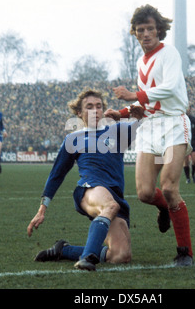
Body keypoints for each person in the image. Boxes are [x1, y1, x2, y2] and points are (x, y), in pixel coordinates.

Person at [105, 4, 193, 266]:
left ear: (159, 30)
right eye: (140, 29)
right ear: (134, 33)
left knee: (168, 186)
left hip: (174, 123)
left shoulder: (170, 53)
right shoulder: (140, 61)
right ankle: (165, 207)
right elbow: (145, 104)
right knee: (144, 193)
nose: (146, 34)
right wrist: (121, 112)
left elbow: (169, 87)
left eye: (150, 29)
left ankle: (185, 253)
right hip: (151, 125)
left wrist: (133, 95)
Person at [27, 89, 139, 271]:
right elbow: (56, 175)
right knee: (110, 206)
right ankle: (87, 258)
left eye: (98, 106)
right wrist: (42, 209)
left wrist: (139, 116)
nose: (95, 110)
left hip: (115, 196)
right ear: (79, 113)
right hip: (89, 189)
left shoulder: (118, 130)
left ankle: (63, 250)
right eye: (89, 107)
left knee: (121, 255)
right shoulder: (73, 139)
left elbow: (147, 125)